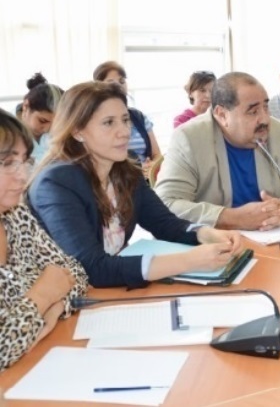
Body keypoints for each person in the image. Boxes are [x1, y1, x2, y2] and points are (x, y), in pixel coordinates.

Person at [27, 82, 244, 289]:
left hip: (114, 291)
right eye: (108, 122)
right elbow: (90, 268)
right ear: (77, 131)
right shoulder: (56, 183)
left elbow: (165, 224)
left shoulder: (124, 166)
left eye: (125, 120)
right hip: (65, 304)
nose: (124, 131)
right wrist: (190, 260)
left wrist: (205, 234)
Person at [155, 71, 280, 231]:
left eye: (266, 107)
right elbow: (166, 203)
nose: (265, 119)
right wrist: (231, 218)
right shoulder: (189, 138)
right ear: (222, 115)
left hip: (273, 239)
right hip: (215, 245)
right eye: (253, 111)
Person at [0, 110, 88, 371]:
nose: (23, 176)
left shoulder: (15, 215)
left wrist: (56, 305)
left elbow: (76, 273)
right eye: (7, 164)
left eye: (25, 161)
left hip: (34, 366)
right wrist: (42, 296)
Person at [92, 61, 162, 177]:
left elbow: (157, 154)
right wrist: (136, 170)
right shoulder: (95, 120)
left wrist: (152, 166)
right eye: (111, 82)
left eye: (122, 81)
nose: (118, 86)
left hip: (145, 181)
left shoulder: (138, 117)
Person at [19, 73, 64, 162]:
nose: (47, 129)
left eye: (56, 123)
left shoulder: (61, 133)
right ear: (26, 106)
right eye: (42, 121)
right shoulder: (6, 130)